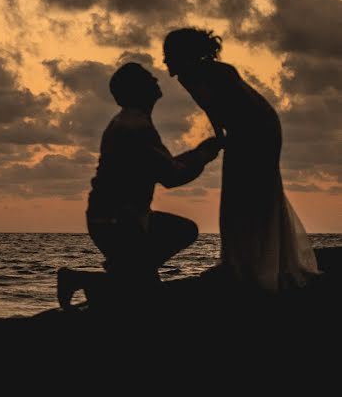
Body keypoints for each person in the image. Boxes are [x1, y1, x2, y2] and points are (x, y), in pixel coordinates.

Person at [162, 28, 320, 291]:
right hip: (241, 130)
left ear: (183, 54)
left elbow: (238, 107)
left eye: (168, 55)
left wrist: (226, 138)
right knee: (236, 194)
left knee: (251, 193)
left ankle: (254, 264)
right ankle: (238, 261)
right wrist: (220, 137)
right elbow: (213, 110)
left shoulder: (217, 71)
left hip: (259, 129)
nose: (165, 61)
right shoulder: (187, 76)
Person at [57, 62, 221, 310]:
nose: (156, 79)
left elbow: (166, 166)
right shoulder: (135, 127)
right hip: (118, 223)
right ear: (139, 90)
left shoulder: (133, 122)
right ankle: (86, 278)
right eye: (149, 78)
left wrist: (200, 153)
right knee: (156, 275)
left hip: (119, 219)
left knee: (145, 279)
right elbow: (172, 176)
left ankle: (105, 279)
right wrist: (203, 154)